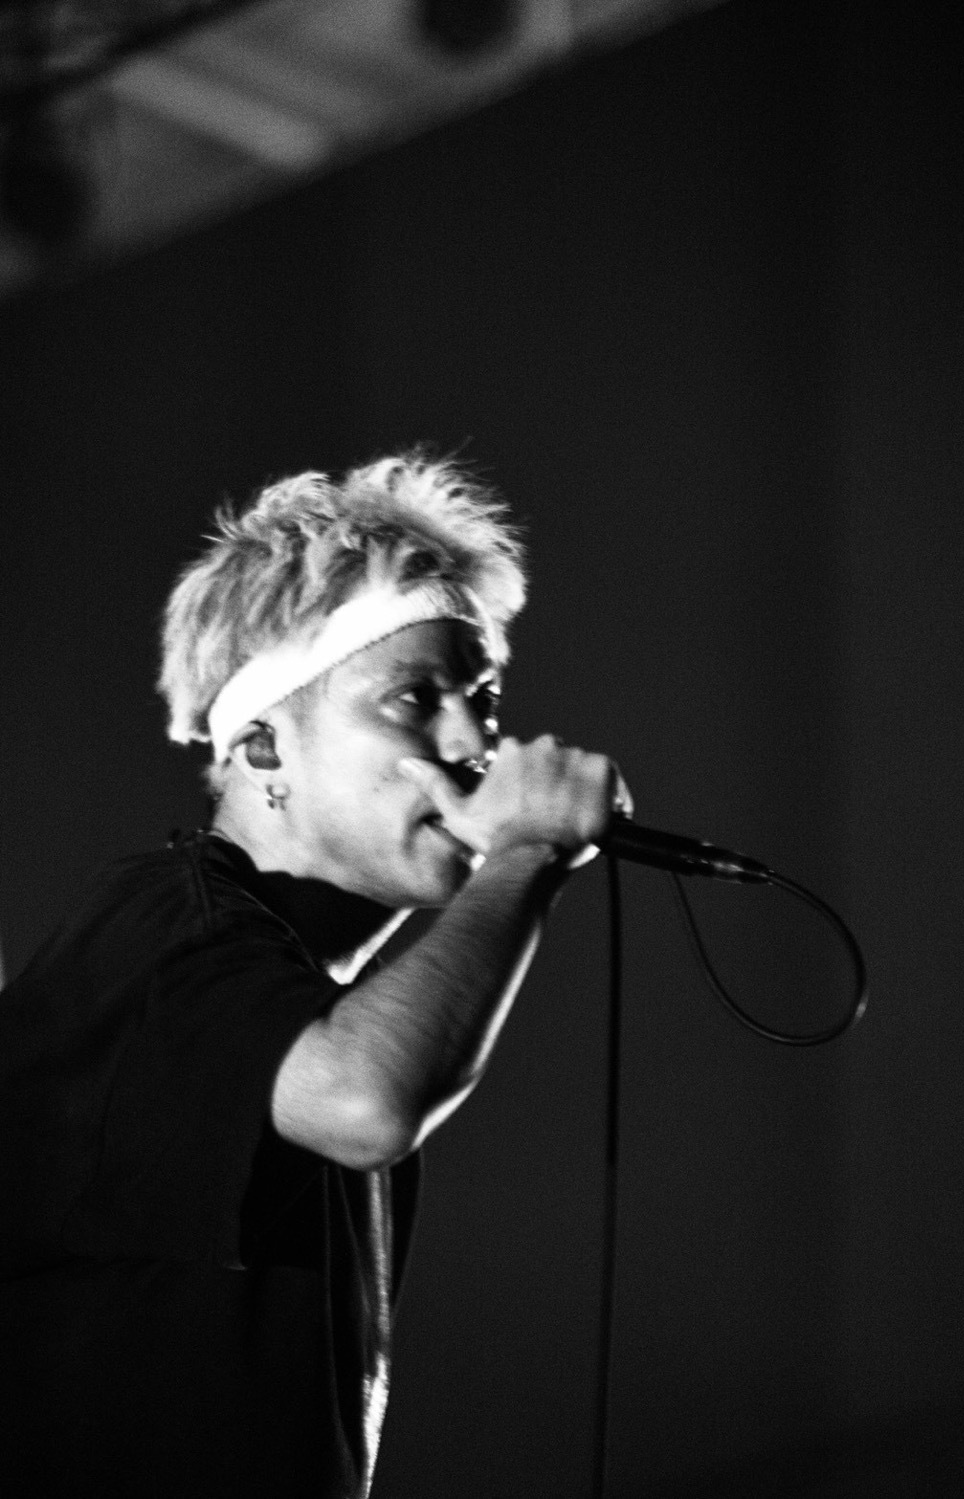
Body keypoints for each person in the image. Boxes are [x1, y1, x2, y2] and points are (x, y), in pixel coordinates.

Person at [0, 455, 627, 1498]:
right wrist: (526, 853)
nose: (476, 741)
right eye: (414, 698)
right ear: (262, 746)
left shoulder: (309, 1005)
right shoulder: (164, 927)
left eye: (482, 697)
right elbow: (364, 1101)